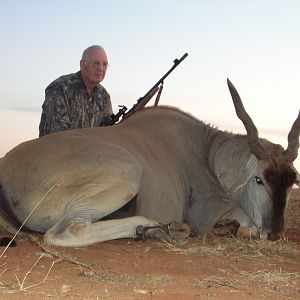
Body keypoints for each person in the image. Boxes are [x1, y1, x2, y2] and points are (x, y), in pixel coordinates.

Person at [39, 45, 113, 137]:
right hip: (56, 149)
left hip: (89, 150)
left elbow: (107, 132)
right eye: (96, 63)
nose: (101, 69)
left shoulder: (104, 96)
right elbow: (57, 135)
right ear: (82, 65)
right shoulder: (61, 88)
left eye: (105, 64)